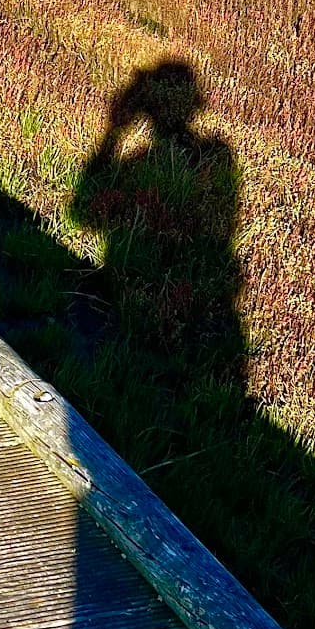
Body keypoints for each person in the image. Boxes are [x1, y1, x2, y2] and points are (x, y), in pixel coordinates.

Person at [72, 59, 244, 396]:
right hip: (193, 292)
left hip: (144, 284)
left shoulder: (147, 159)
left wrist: (114, 132)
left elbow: (83, 214)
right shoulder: (217, 154)